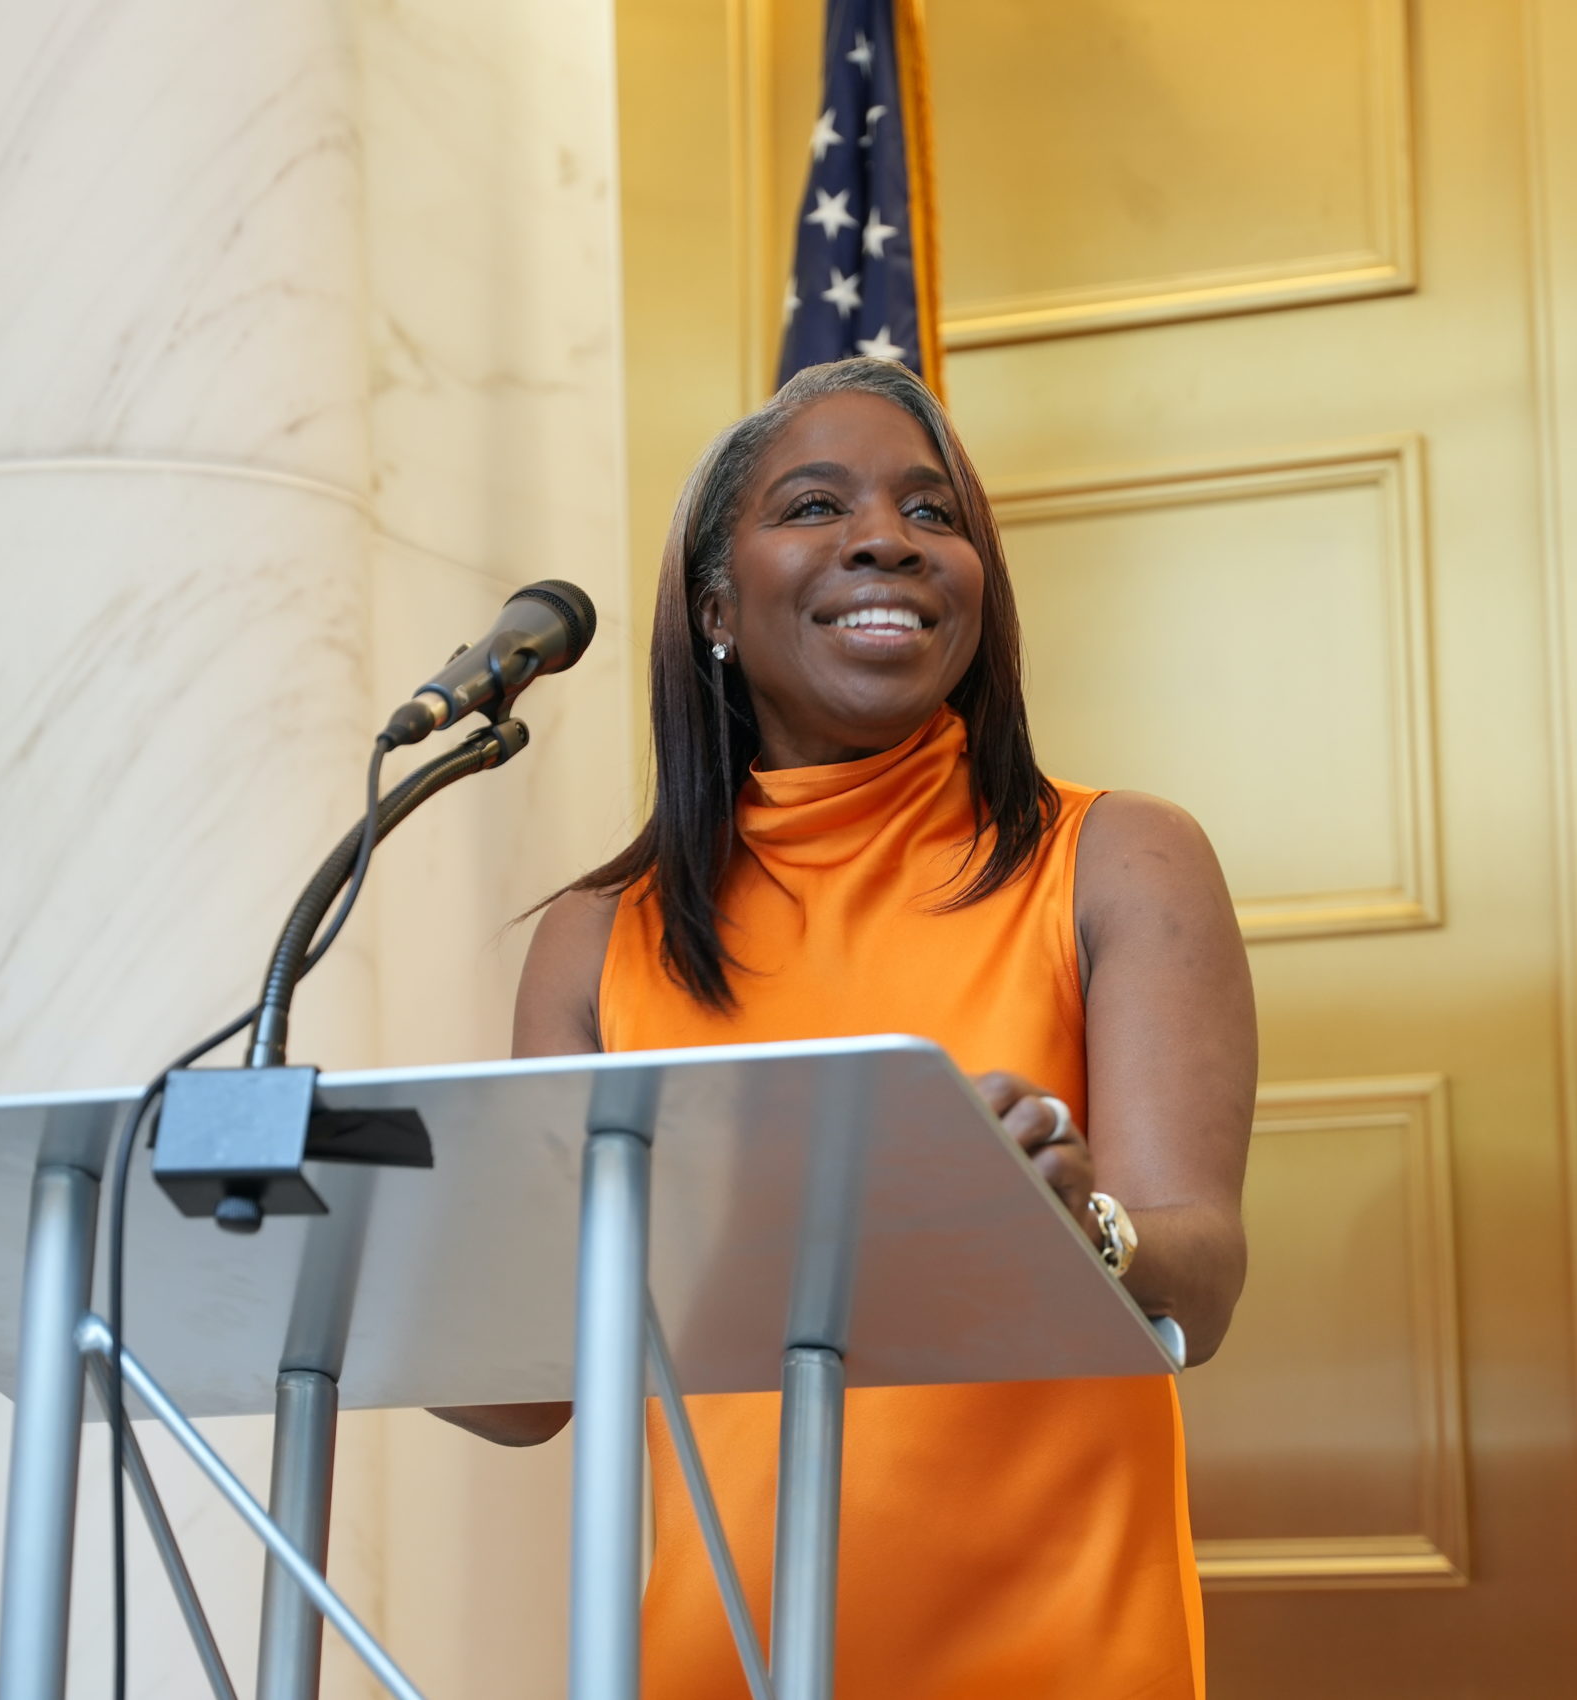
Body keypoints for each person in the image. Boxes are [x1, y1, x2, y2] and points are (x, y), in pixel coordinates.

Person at [438, 357, 1256, 1697]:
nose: (888, 538)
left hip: (1056, 1656)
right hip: (725, 1666)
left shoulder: (1116, 860)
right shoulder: (600, 936)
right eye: (816, 506)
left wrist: (1077, 1226)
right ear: (715, 604)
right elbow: (525, 1390)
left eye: (935, 517)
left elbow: (1204, 1277)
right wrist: (352, 1250)